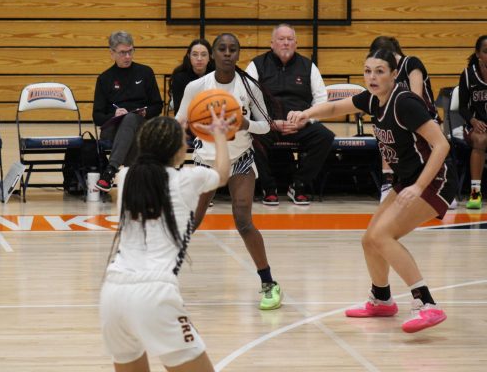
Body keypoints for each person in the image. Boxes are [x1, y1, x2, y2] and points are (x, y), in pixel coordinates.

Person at [287, 49, 456, 333]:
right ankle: (381, 298)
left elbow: (442, 145)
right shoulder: (373, 100)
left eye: (379, 71)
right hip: (409, 178)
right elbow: (333, 109)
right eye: (367, 71)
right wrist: (306, 114)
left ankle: (427, 303)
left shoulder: (405, 103)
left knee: (382, 236)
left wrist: (418, 186)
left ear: (393, 75)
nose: (372, 77)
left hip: (436, 178)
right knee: (369, 240)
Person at [100, 114, 230, 372]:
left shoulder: (126, 178)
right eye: (184, 142)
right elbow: (223, 174)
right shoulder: (189, 179)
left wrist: (167, 130)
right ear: (176, 150)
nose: (187, 146)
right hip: (154, 294)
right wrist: (219, 134)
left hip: (112, 293)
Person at [176, 33, 283, 310]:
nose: (227, 53)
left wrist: (245, 124)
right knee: (191, 223)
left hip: (240, 160)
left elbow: (267, 125)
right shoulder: (196, 86)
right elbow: (179, 122)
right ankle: (164, 279)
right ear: (213, 54)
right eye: (221, 49)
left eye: (232, 49)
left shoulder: (248, 87)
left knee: (243, 220)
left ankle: (269, 283)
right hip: (205, 161)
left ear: (238, 54)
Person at [245, 24, 334, 206]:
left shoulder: (309, 66)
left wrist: (306, 119)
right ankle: (268, 188)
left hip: (299, 124)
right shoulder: (256, 65)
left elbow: (321, 100)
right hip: (268, 124)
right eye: (281, 39)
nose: (285, 43)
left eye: (290, 39)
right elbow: (247, 98)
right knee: (250, 136)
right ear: (272, 43)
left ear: (296, 44)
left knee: (325, 136)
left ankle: (299, 185)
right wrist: (268, 122)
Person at [369, 36, 440, 202]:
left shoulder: (411, 63)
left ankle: (438, 186)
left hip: (423, 116)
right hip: (399, 117)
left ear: (393, 56)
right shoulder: (383, 71)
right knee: (385, 131)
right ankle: (387, 184)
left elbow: (416, 98)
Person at [93, 31, 163, 192]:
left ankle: (110, 171)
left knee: (131, 120)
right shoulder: (104, 78)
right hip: (113, 128)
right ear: (112, 53)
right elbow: (97, 116)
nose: (128, 56)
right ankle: (137, 183)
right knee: (129, 123)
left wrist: (145, 112)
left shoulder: (145, 72)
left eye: (130, 51)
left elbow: (157, 105)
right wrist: (114, 115)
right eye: (123, 52)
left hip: (142, 124)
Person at [458, 35, 487, 209]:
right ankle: (475, 192)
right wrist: (473, 120)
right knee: (481, 140)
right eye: (486, 52)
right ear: (478, 54)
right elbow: (462, 107)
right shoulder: (468, 75)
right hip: (476, 125)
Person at [170, 38, 215, 115]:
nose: (199, 58)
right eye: (195, 54)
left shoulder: (216, 75)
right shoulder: (179, 78)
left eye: (204, 54)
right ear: (189, 56)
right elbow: (179, 110)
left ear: (210, 57)